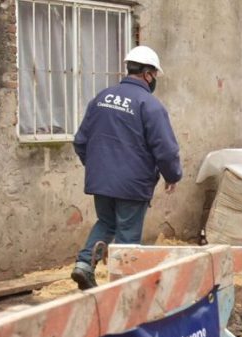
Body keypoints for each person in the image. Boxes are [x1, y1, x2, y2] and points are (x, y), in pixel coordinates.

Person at [70, 46, 183, 290]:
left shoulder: (101, 98)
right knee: (127, 235)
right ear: (148, 74)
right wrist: (172, 175)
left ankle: (83, 265)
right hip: (132, 184)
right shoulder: (150, 105)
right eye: (155, 75)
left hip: (101, 181)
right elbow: (166, 149)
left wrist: (98, 168)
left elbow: (80, 141)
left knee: (106, 222)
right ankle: (123, 288)